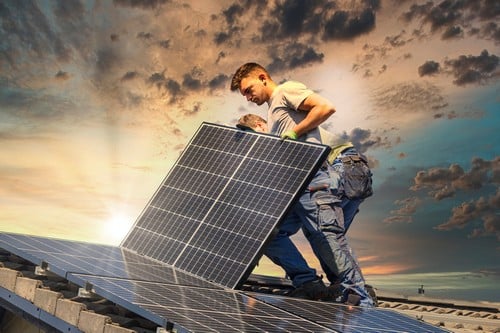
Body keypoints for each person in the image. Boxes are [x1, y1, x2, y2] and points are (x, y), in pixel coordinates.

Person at [230, 63, 374, 307]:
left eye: (249, 89)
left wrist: (295, 133)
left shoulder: (284, 91)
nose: (248, 97)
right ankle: (310, 283)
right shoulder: (274, 115)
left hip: (327, 171)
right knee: (269, 234)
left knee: (324, 234)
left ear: (263, 78)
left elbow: (326, 107)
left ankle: (357, 297)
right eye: (244, 94)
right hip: (305, 182)